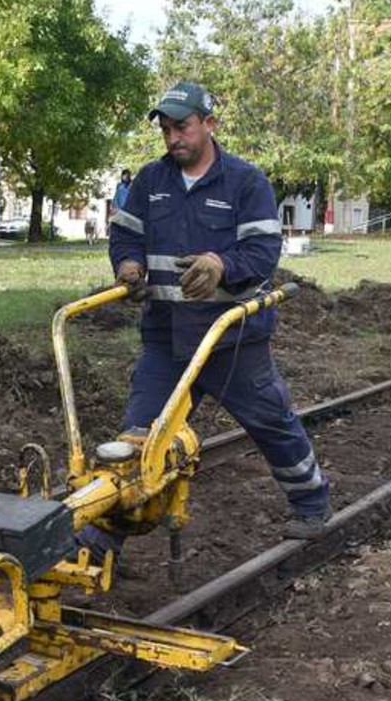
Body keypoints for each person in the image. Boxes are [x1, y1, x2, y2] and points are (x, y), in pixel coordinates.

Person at [94, 79, 331, 548]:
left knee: (272, 423)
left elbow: (263, 251)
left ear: (209, 124)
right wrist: (127, 264)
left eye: (181, 127)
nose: (173, 138)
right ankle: (102, 546)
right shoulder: (150, 182)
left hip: (230, 340)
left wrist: (222, 264)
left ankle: (311, 503)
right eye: (165, 130)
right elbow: (125, 236)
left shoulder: (246, 182)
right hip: (166, 338)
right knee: (137, 443)